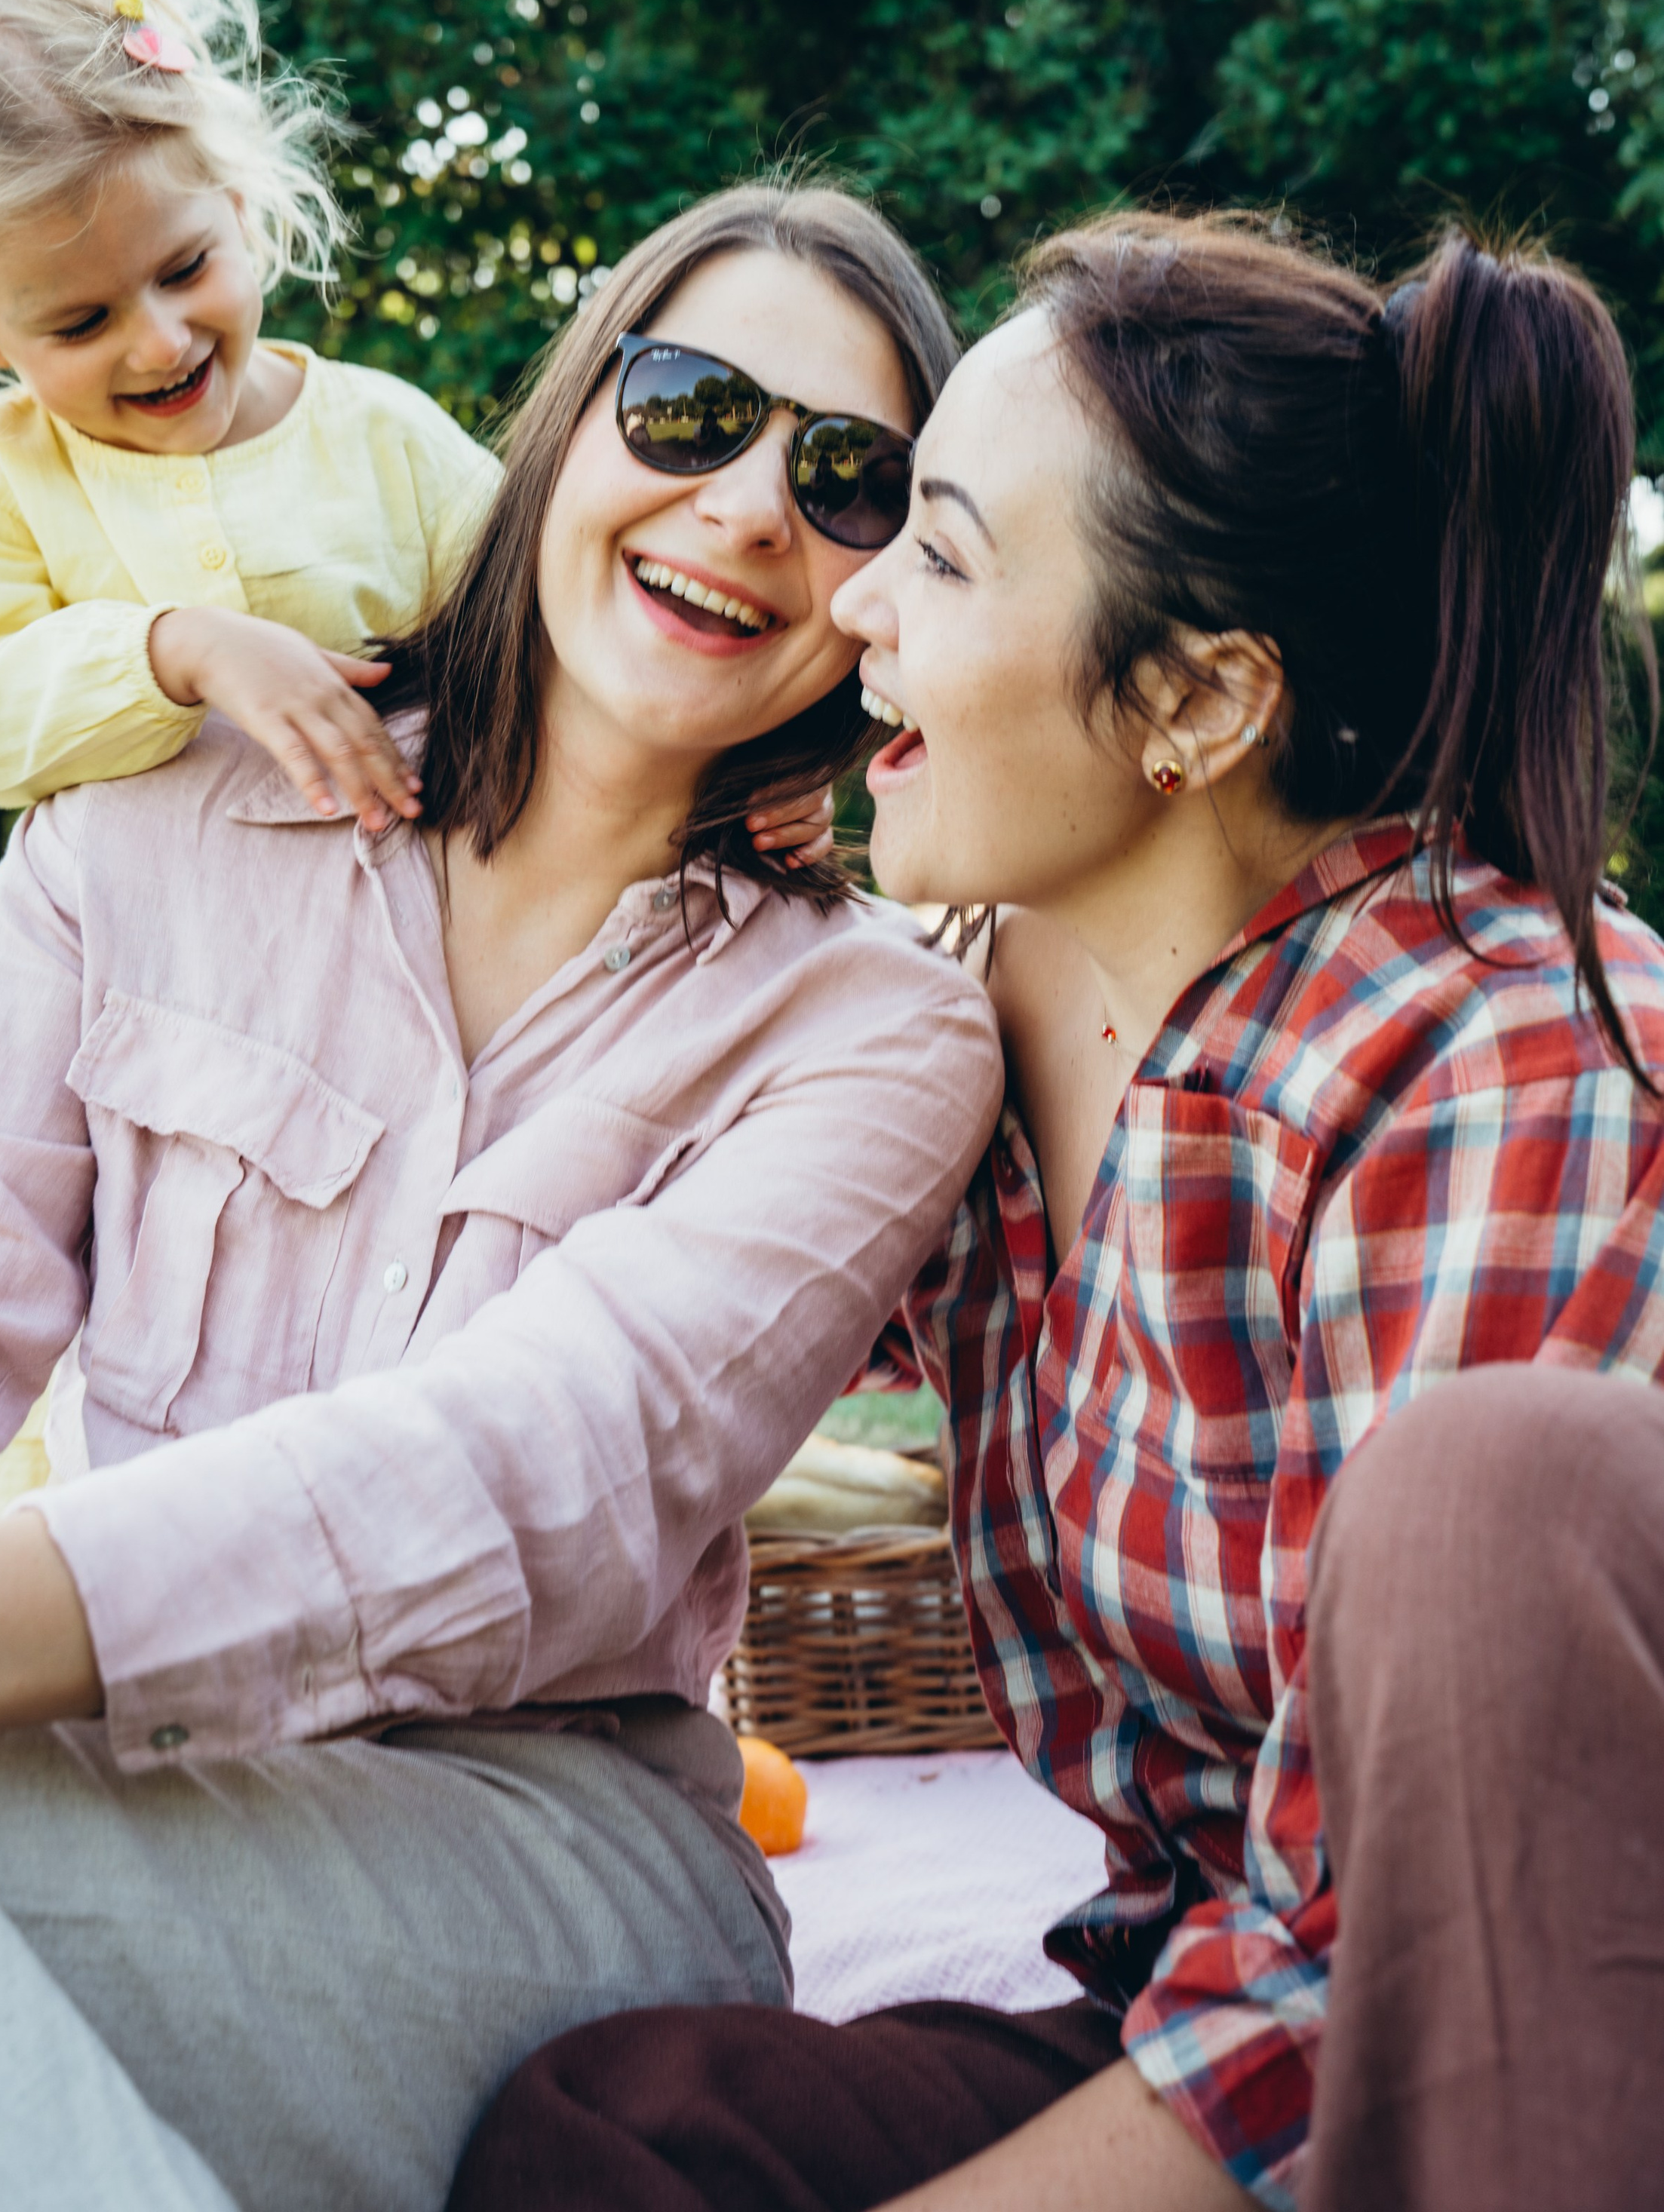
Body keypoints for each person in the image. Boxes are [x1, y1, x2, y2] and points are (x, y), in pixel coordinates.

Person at [0, 183, 1005, 2212]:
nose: (755, 506)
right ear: (569, 421)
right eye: (692, 411)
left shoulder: (873, 1034)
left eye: (849, 480)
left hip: (547, 1838)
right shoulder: (146, 823)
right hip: (107, 1759)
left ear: (887, 584)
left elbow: (531, 1466)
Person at [454, 213, 1664, 2212]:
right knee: (627, 2141)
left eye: (937, 547)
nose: (856, 611)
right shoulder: (961, 1010)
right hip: (1188, 1990)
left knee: (1484, 1484)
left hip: (1506, 2025)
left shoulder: (1506, 1057)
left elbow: (1380, 1944)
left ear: (1195, 704)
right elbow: (611, 1333)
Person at [0, 0, 813, 867]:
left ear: (240, 214)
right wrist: (181, 651)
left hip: (408, 937)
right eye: (79, 323)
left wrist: (735, 781)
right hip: (142, 968)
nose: (158, 341)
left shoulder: (384, 439)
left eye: (186, 267)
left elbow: (560, 647)